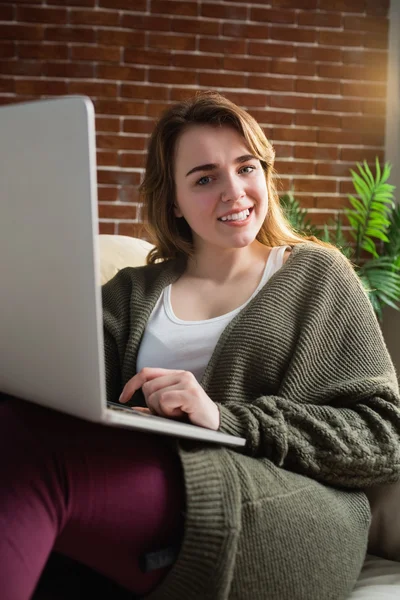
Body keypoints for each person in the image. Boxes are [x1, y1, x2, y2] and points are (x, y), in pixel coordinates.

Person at [1, 91, 400, 600]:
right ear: (173, 200)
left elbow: (384, 437)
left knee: (33, 457)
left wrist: (223, 418)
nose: (234, 191)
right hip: (139, 481)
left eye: (246, 167)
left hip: (285, 510)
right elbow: (62, 393)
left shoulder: (317, 275)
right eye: (205, 178)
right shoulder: (130, 291)